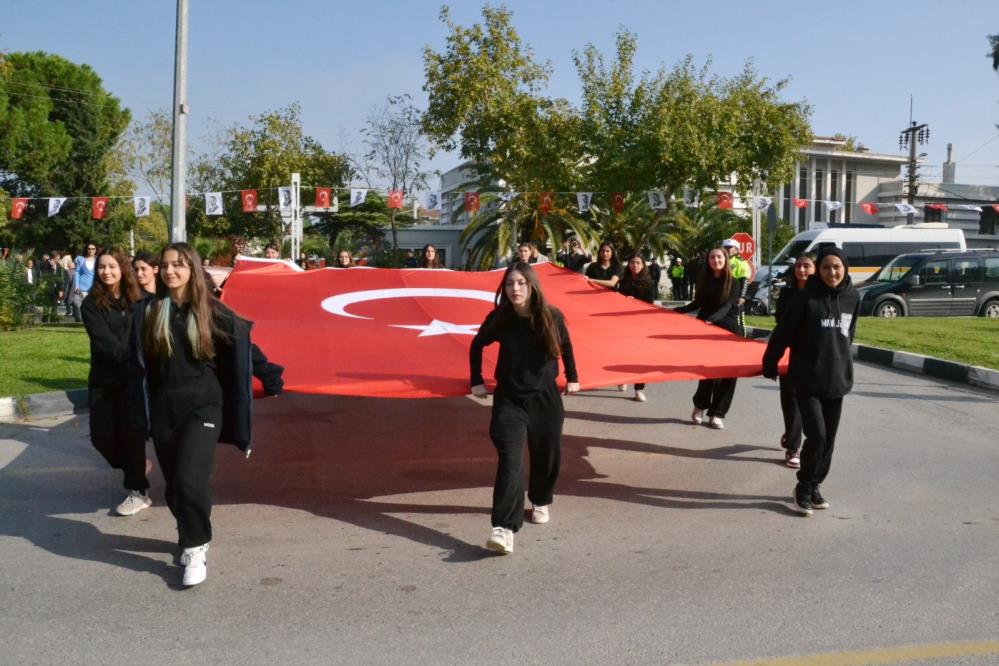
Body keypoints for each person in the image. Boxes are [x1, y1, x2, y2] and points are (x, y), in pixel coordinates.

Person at [128, 242, 283, 586]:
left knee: (189, 479)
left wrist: (269, 374)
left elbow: (243, 343)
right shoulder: (148, 311)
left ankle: (196, 547)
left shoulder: (211, 310)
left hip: (204, 405)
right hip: (165, 406)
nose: (171, 271)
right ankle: (190, 532)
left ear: (193, 269)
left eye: (179, 265)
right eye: (165, 265)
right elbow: (134, 365)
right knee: (174, 488)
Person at [469, 262, 579, 554]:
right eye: (509, 284)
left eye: (521, 283)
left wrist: (573, 377)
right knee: (511, 462)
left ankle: (540, 498)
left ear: (532, 286)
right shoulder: (500, 318)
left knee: (547, 456)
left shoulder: (551, 316)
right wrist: (476, 380)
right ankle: (504, 528)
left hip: (545, 399)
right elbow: (477, 344)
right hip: (510, 400)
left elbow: (566, 346)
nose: (515, 289)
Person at [762, 247, 860, 516]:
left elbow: (847, 336)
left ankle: (815, 484)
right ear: (820, 270)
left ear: (845, 268)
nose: (832, 272)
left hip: (836, 381)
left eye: (836, 267)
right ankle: (803, 487)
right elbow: (783, 333)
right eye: (826, 267)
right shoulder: (806, 298)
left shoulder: (853, 297)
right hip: (806, 381)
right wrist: (770, 362)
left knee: (829, 442)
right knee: (816, 436)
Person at [81, 248, 151, 515]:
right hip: (105, 381)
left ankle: (137, 491)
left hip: (135, 381)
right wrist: (132, 357)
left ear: (123, 268)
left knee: (131, 435)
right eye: (101, 267)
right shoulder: (91, 304)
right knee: (102, 438)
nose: (106, 271)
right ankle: (136, 466)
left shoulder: (140, 300)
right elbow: (104, 342)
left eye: (112, 266)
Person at [673, 246, 744, 429]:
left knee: (729, 374)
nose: (716, 260)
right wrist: (674, 312)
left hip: (728, 330)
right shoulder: (704, 280)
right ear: (708, 261)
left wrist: (712, 320)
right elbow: (696, 304)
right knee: (707, 372)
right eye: (712, 257)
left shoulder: (734, 282)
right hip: (706, 330)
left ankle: (718, 413)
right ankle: (700, 405)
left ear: (726, 259)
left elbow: (728, 306)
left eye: (719, 257)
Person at [772, 253, 816, 468]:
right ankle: (793, 447)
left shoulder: (821, 295)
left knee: (806, 402)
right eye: (799, 266)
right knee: (790, 400)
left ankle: (793, 438)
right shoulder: (787, 293)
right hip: (790, 354)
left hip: (815, 357)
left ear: (815, 269)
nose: (802, 270)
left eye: (807, 266)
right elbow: (780, 322)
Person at [616, 253, 657, 403]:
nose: (635, 265)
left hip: (642, 323)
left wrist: (635, 302)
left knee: (640, 357)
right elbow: (617, 299)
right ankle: (623, 378)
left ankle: (639, 389)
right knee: (624, 352)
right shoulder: (624, 281)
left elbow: (650, 303)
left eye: (638, 262)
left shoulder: (649, 282)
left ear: (643, 264)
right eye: (632, 262)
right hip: (624, 323)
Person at [721, 239, 752, 333]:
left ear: (736, 249)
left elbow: (744, 280)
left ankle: (742, 340)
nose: (728, 249)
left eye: (730, 247)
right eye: (726, 247)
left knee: (738, 322)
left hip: (735, 296)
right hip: (723, 296)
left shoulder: (740, 262)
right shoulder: (721, 260)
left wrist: (742, 296)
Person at [72, 242, 99, 322]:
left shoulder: (98, 260)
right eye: (89, 249)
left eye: (93, 249)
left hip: (94, 287)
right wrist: (76, 285)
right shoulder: (81, 259)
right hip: (83, 287)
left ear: (95, 250)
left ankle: (92, 320)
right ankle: (84, 319)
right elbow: (77, 273)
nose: (91, 250)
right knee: (84, 305)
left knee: (94, 305)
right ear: (86, 249)